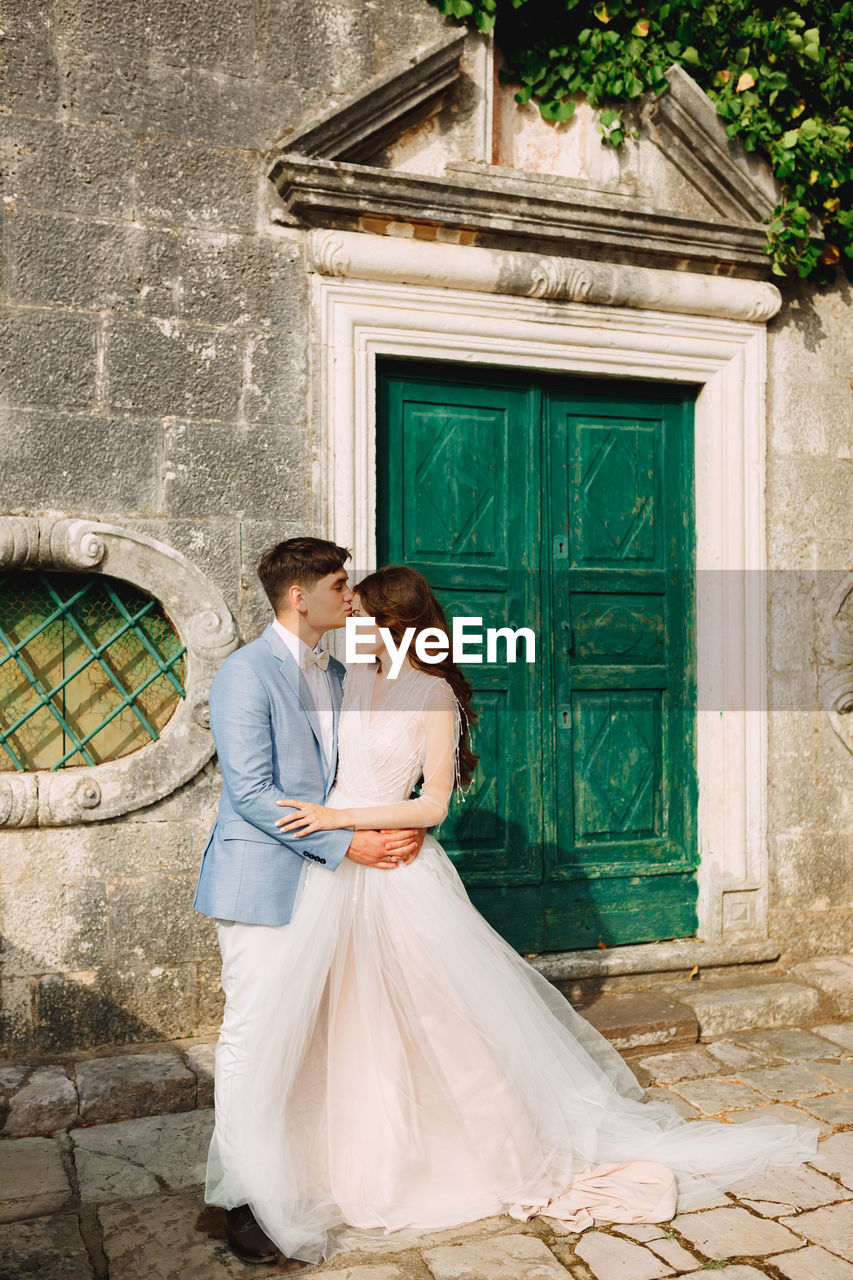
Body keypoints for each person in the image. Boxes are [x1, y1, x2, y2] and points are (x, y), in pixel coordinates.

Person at [193, 538, 428, 1265]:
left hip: (328, 889)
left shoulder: (334, 674)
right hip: (263, 881)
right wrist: (346, 847)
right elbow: (253, 792)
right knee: (252, 1038)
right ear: (299, 595)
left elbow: (350, 775)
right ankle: (238, 1200)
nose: (348, 595)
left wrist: (390, 822)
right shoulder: (244, 674)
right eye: (337, 583)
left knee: (304, 1042)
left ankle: (294, 1175)